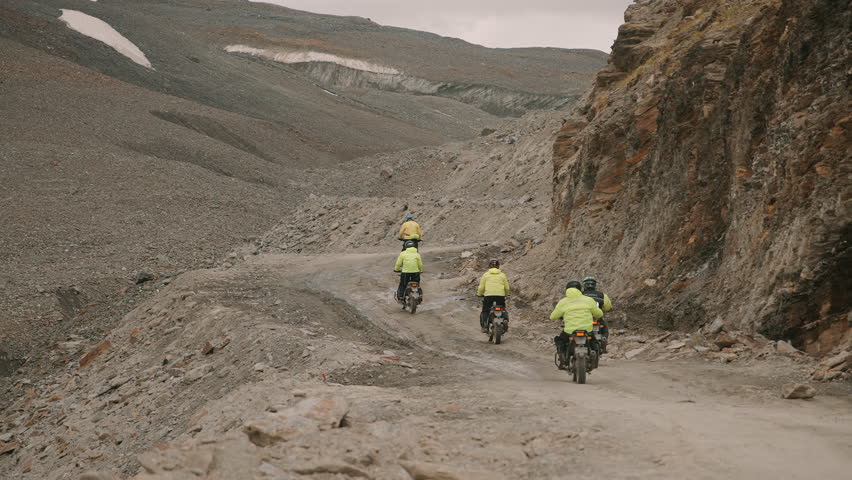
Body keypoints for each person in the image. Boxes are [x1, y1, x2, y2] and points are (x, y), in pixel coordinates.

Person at [550, 280, 603, 364]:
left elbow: (553, 317)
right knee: (594, 342)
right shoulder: (589, 300)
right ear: (580, 289)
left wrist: (562, 315)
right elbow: (599, 314)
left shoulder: (563, 302)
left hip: (570, 331)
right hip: (587, 330)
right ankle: (595, 357)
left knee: (560, 340)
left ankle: (563, 358)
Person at [476, 259, 510, 333]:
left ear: (489, 266)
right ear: (498, 266)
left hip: (488, 295)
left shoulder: (486, 275)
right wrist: (506, 294)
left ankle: (485, 327)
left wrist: (479, 294)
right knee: (502, 309)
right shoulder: (502, 275)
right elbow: (507, 288)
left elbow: (481, 287)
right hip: (500, 295)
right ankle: (505, 320)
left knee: (485, 311)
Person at [581, 276, 613, 352]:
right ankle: (604, 341)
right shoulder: (602, 295)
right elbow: (608, 307)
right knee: (604, 329)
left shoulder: (580, 295)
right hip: (597, 318)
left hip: (583, 319)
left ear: (584, 285)